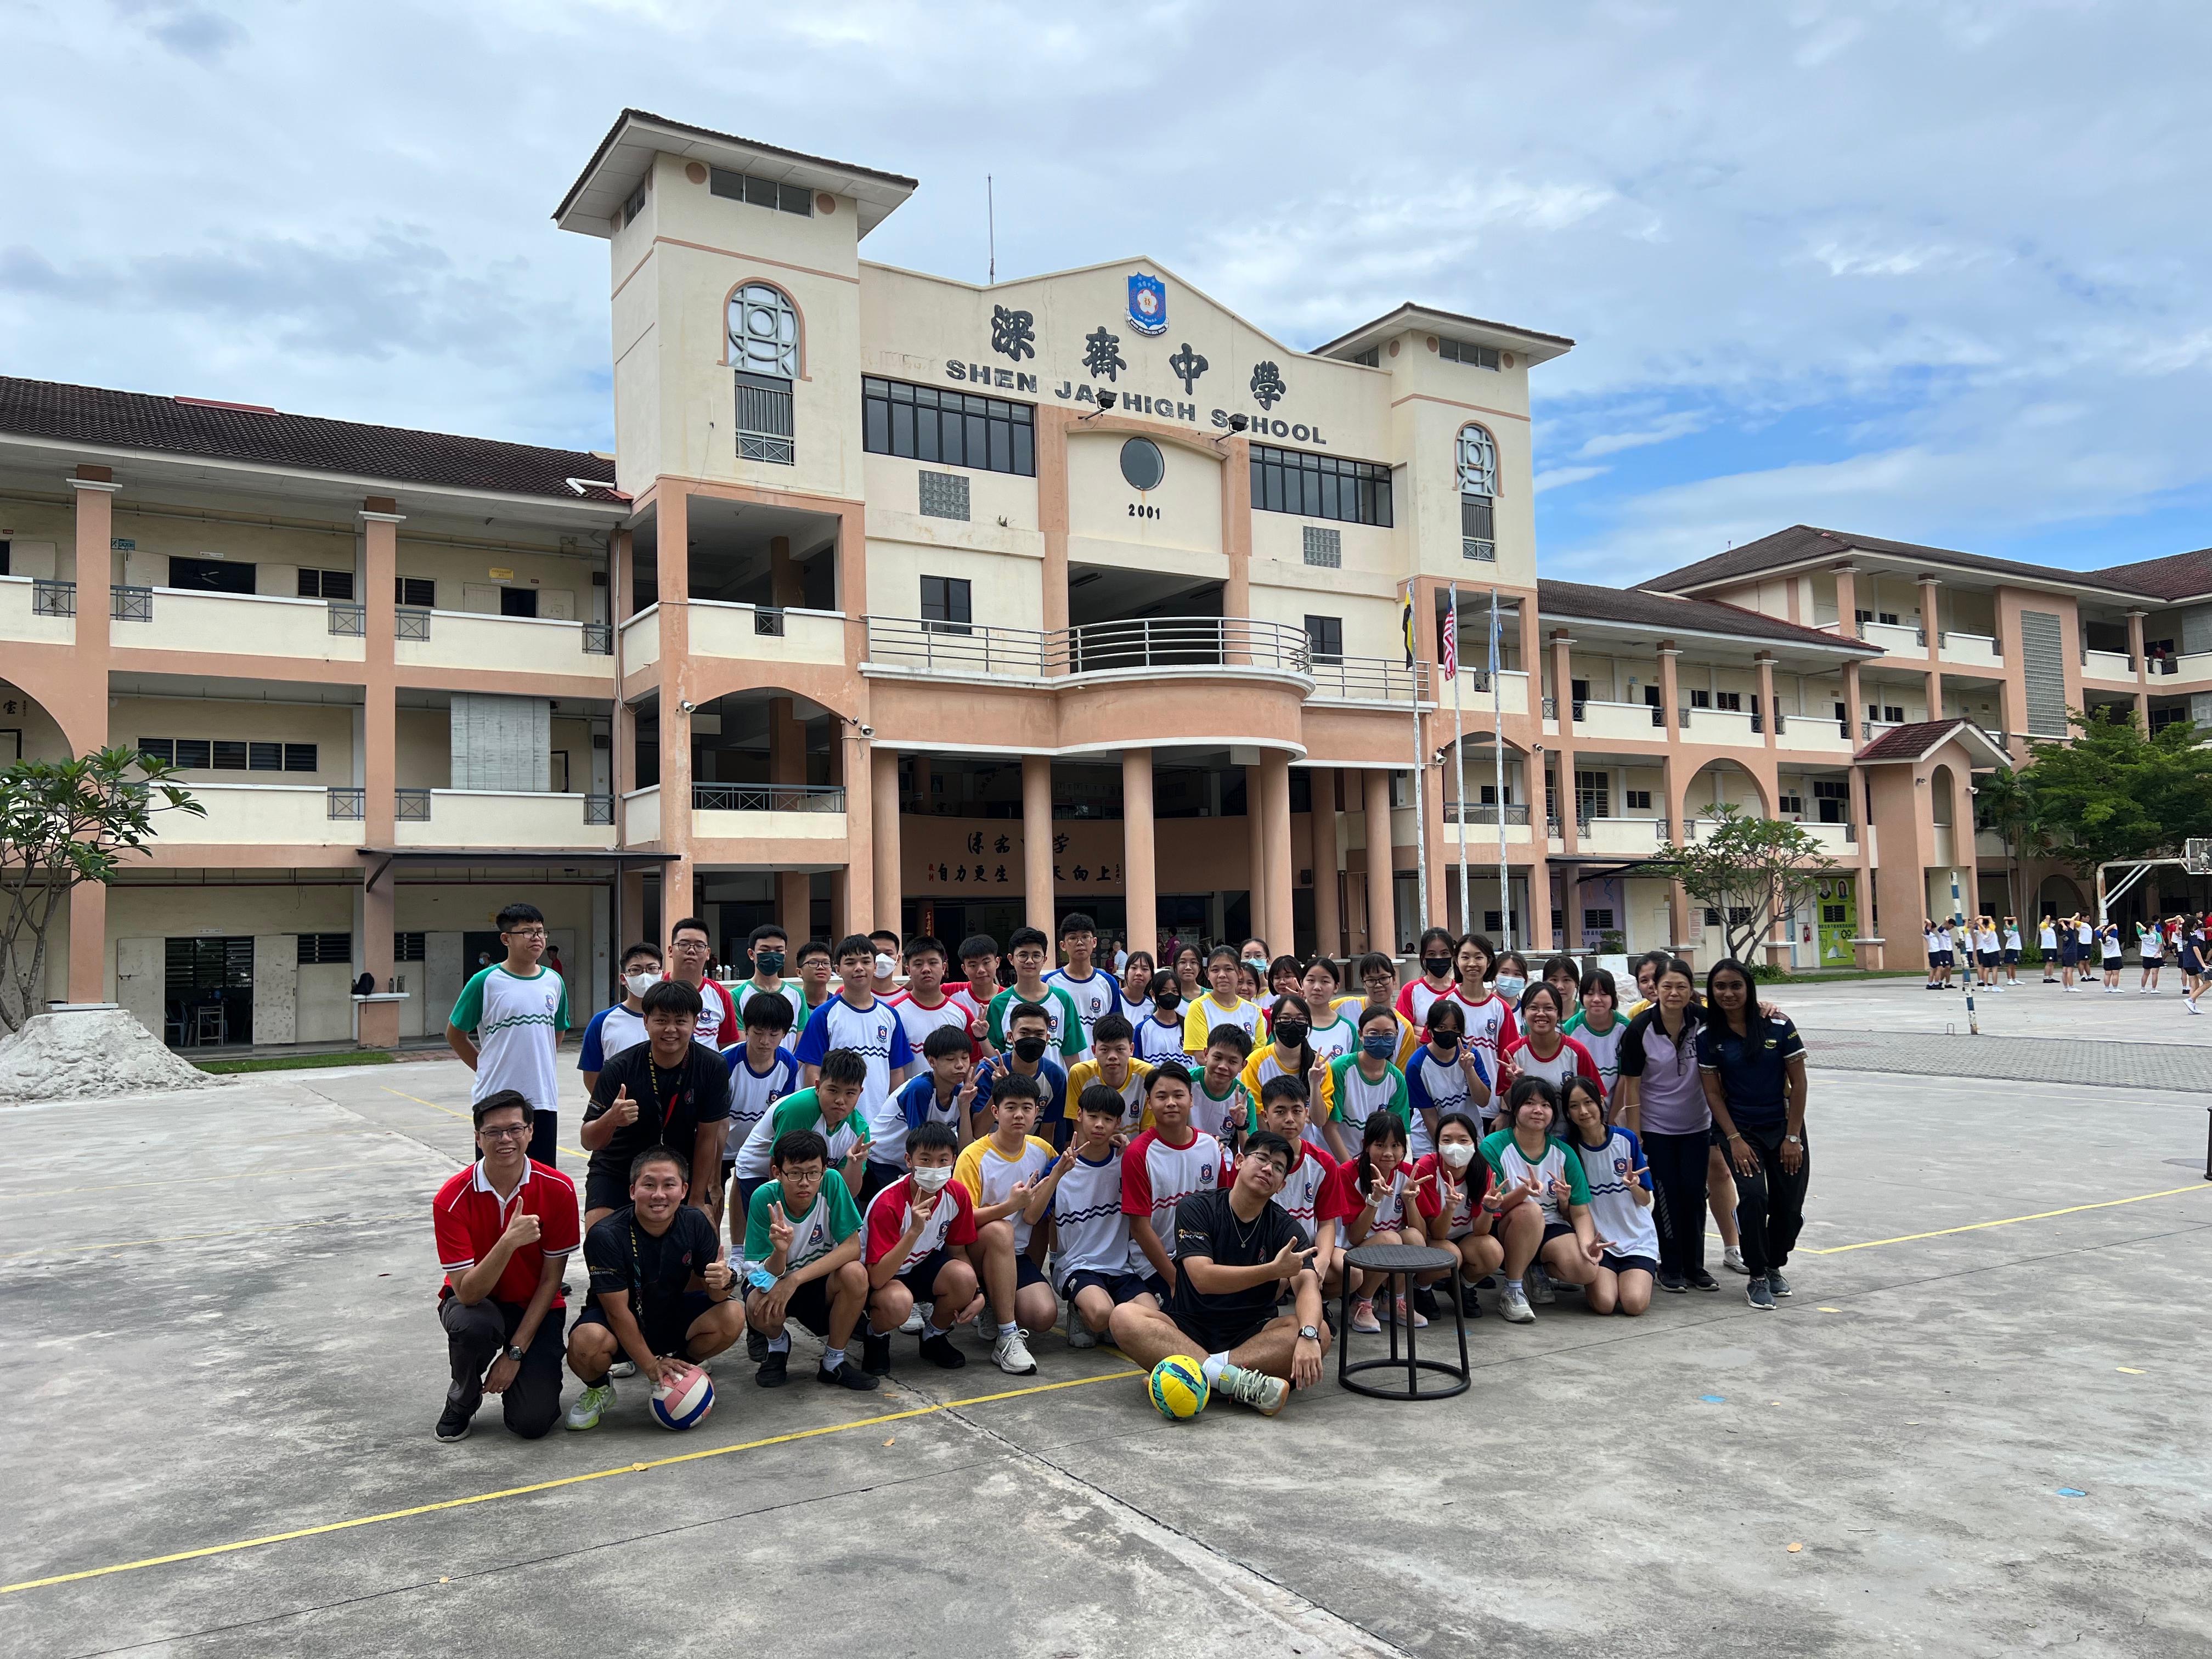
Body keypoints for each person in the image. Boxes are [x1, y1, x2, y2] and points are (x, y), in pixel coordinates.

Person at [1106, 1130, 1331, 1418]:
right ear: (1239, 1161)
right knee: (1124, 1317)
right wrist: (1273, 1271)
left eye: (1278, 1167)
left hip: (1252, 1335)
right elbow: (1203, 1279)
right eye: (1262, 1158)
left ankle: (1195, 1374)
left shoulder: (1285, 1227)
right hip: (1189, 1329)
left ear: (1282, 1185)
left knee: (1321, 1332)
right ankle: (1235, 1382)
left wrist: (1309, 1335)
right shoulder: (1196, 1208)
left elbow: (1308, 1286)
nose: (1268, 1169)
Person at [431, 1089, 580, 1442]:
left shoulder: (559, 1189)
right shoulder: (451, 1199)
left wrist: (515, 1354)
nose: (506, 1139)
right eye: (494, 1132)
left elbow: (551, 1282)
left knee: (532, 1423)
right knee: (474, 1325)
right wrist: (508, 1242)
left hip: (534, 1304)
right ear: (478, 1138)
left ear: (531, 1131)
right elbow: (467, 1293)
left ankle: (525, 1380)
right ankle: (462, 1399)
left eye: (515, 1129)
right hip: (477, 1304)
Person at [562, 1146, 746, 1430]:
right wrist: (650, 1366)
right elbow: (617, 1313)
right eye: (649, 1185)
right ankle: (599, 1389)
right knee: (585, 1343)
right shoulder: (606, 1235)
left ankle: (678, 1368)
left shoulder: (695, 1222)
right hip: (620, 1322)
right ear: (633, 1191)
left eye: (669, 1185)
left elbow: (717, 1295)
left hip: (670, 1313)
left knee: (733, 1314)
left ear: (684, 1190)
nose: (659, 1195)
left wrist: (725, 1280)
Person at [864, 1121, 1035, 1375]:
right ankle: (875, 1336)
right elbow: (877, 1278)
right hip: (887, 1276)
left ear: (953, 1160)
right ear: (909, 1161)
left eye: (943, 1160)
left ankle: (934, 1336)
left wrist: (977, 1293)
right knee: (898, 1303)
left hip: (923, 1265)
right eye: (925, 1159)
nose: (935, 1168)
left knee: (963, 1278)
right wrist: (913, 1232)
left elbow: (958, 1252)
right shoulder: (887, 1203)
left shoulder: (957, 1194)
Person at [1698, 957, 1811, 1311]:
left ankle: (1775, 1263)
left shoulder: (1778, 1024)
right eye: (1720, 987)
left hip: (1784, 1127)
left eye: (1736, 986)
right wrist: (1734, 1140)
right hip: (1739, 1130)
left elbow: (1799, 1083)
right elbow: (1713, 1093)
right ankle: (1758, 1275)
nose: (1728, 993)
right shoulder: (1708, 1035)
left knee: (1788, 1207)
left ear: (1749, 988)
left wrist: (1793, 1138)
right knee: (1753, 1197)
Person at [579, 979, 732, 1228]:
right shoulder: (619, 1068)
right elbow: (588, 1141)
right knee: (600, 1233)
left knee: (705, 1236)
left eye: (680, 1021)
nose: (671, 1029)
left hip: (678, 1171)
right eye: (661, 1020)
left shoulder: (712, 1066)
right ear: (646, 1021)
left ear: (695, 1023)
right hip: (619, 1168)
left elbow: (707, 1138)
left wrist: (696, 1200)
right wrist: (611, 1119)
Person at [741, 1128, 877, 1391]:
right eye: (795, 1173)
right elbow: (761, 1274)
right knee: (757, 1305)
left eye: (813, 1173)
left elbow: (852, 1248)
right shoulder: (764, 1199)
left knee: (856, 1274)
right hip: (775, 1279)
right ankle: (778, 1346)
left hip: (815, 1278)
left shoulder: (832, 1182)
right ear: (777, 1172)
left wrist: (795, 1280)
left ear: (824, 1170)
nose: (805, 1182)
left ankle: (833, 1362)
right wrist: (780, 1252)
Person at [1613, 957, 1718, 1293]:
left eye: (1681, 987)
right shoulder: (1640, 1028)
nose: (1674, 993)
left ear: (1691, 990)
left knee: (1694, 1194)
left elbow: (1740, 1020)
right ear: (1655, 989)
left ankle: (1695, 1266)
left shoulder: (1705, 1021)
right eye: (1667, 986)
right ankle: (1670, 1266)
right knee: (1666, 1194)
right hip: (1656, 1128)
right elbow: (1631, 1085)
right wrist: (1635, 1135)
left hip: (1697, 1126)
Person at [1028, 1086, 1159, 1348]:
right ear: (1079, 1115)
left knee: (1152, 1317)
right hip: (1077, 1266)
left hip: (1121, 1267)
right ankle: (1080, 1311)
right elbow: (1032, 1217)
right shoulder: (1060, 1166)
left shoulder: (1126, 1162)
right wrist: (1057, 1175)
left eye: (1108, 1119)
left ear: (1118, 1123)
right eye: (1093, 1116)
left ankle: (1111, 1318)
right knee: (1101, 1315)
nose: (1099, 1125)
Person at [447, 901, 572, 1167]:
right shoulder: (485, 982)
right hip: (496, 1098)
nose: (536, 937)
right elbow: (455, 1034)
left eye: (540, 931)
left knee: (540, 1176)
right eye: (527, 932)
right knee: (496, 1176)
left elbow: (557, 1032)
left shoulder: (554, 981)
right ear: (506, 939)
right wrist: (484, 1067)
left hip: (542, 1098)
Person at [796, 934, 917, 1200]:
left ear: (875, 966)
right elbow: (813, 1071)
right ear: (838, 969)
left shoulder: (890, 1016)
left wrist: (892, 1118)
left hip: (880, 1131)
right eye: (850, 962)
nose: (859, 968)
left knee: (877, 1203)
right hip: (837, 1128)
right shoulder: (825, 1015)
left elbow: (896, 1072)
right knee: (835, 1200)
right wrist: (822, 1119)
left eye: (865, 961)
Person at [1479, 1076, 1602, 1324]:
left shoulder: (1564, 1153)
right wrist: (1522, 1193)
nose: (1538, 1110)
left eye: (1546, 1105)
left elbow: (1580, 1212)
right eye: (1530, 1103)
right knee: (1531, 1212)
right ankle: (1512, 1290)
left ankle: (1535, 1268)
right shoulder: (1494, 1146)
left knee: (1587, 1270)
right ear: (1515, 1109)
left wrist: (1586, 1245)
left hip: (1550, 1226)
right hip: (1506, 1227)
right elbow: (1492, 1206)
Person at [953, 1074, 1060, 1341]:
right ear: (995, 1112)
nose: (1019, 1115)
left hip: (1017, 1256)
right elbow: (960, 1221)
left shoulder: (1043, 1150)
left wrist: (1114, 1144)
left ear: (1036, 1112)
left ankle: (999, 1300)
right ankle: (1007, 1334)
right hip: (977, 1253)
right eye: (1011, 1107)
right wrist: (1009, 1206)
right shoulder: (973, 1156)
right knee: (1001, 1230)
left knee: (1043, 1316)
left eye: (1027, 1108)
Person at [1121, 1062, 1228, 1298]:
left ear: (1191, 1099)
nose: (1171, 1103)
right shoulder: (1138, 1154)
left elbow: (1223, 1208)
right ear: (1149, 1103)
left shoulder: (1210, 1146)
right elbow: (1139, 1227)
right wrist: (1174, 1280)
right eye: (1161, 1097)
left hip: (1204, 1257)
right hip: (1156, 1264)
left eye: (1178, 1095)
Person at [728, 1048, 873, 1212]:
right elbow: (776, 1166)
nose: (840, 1100)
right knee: (774, 1219)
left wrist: (855, 1163)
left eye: (850, 1093)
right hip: (761, 1169)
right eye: (833, 1090)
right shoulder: (800, 1110)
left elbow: (847, 1193)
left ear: (860, 1093)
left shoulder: (859, 1131)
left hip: (808, 1175)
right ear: (818, 1086)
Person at [1252, 1076, 1356, 1304]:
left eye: (1297, 1111)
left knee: (1354, 1273)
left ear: (1307, 1114)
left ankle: (1318, 1301)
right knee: (1278, 1281)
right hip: (1264, 1253)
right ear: (1265, 1115)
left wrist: (1323, 1261)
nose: (1290, 1119)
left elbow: (1327, 1222)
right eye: (1280, 1112)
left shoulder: (1324, 1163)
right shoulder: (1254, 1160)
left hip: (1307, 1249)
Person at [1560, 1074, 1657, 1317]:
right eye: (1574, 1106)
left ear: (1601, 1101)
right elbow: (1569, 1214)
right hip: (1599, 1242)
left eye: (1588, 1102)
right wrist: (1563, 1200)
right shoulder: (1566, 1149)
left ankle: (1640, 1275)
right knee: (1604, 1304)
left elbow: (1645, 1200)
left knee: (1634, 1304)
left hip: (1636, 1240)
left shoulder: (1626, 1139)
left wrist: (1633, 1185)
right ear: (1567, 1113)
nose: (1584, 1111)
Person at [1341, 1111, 1442, 1332]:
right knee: (1390, 1239)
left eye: (1395, 1146)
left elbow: (1421, 1235)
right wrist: (1375, 1199)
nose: (1388, 1153)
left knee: (1413, 1238)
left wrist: (1410, 1202)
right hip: (1352, 1252)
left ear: (1404, 1149)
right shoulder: (1349, 1173)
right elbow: (1354, 1236)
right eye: (1380, 1145)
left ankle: (1394, 1300)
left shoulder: (1408, 1174)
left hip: (1388, 1251)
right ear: (1366, 1146)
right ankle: (1361, 1302)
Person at [718, 991, 799, 1227]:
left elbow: (782, 1117)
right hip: (724, 1145)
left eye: (774, 1034)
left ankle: (744, 1245)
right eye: (758, 1033)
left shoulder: (788, 1064)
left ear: (785, 1034)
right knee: (714, 1196)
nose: (765, 1041)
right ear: (746, 1029)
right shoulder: (725, 1062)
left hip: (759, 1147)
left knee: (755, 1200)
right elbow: (716, 1121)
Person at [1413, 1110, 1501, 1319]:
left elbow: (1481, 1231)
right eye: (1447, 1140)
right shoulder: (1426, 1168)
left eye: (1463, 1140)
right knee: (1450, 1256)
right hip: (1432, 1240)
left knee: (1493, 1252)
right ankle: (1420, 1288)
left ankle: (1463, 1286)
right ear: (1437, 1144)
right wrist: (1449, 1208)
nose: (1455, 1147)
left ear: (1474, 1144)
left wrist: (1489, 1208)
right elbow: (1436, 1233)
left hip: (1465, 1238)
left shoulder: (1482, 1169)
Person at [1318, 1004, 1413, 1163]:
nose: (1381, 1038)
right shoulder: (1341, 1068)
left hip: (1372, 1164)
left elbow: (1398, 1133)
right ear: (1361, 1034)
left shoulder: (1396, 1079)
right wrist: (1351, 1169)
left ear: (1397, 1035)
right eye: (1373, 1033)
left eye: (1388, 1034)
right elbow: (1330, 1127)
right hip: (1335, 1161)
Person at [971, 1001, 1071, 1144]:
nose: (1032, 1039)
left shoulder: (1055, 1076)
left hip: (1029, 1151)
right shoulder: (988, 1070)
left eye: (1039, 1034)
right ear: (1011, 1037)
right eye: (1024, 1033)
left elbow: (1047, 1133)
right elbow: (978, 1132)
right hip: (989, 1150)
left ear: (1047, 1039)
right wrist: (1000, 1089)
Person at [1238, 993, 1328, 1145]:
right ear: (1274, 1024)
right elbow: (1259, 1117)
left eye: (1300, 1020)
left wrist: (1314, 1083)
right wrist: (1279, 1151)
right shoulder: (1255, 1062)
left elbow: (1319, 1121)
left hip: (1307, 1150)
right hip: (1270, 1148)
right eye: (1285, 1019)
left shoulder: (1320, 1065)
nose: (1293, 1024)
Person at [1404, 997, 1491, 1156]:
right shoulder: (1416, 1065)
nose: (1448, 1033)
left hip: (1468, 1136)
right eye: (1442, 1027)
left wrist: (1469, 1070)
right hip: (1430, 1141)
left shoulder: (1472, 1056)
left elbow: (1483, 1101)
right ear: (1430, 1030)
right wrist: (1447, 1149)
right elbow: (1429, 1115)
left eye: (1455, 1028)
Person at [988, 927, 1086, 1061]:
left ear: (1044, 960)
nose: (1030, 961)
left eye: (1036, 955)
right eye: (1023, 955)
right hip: (1012, 1075)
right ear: (1011, 959)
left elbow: (1071, 1053)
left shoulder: (1063, 999)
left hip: (1054, 1076)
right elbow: (995, 1056)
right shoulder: (999, 1004)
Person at [578, 941, 661, 1098]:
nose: (645, 976)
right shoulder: (602, 1022)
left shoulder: (676, 1021)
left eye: (652, 969)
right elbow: (591, 1074)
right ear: (624, 978)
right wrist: (610, 1107)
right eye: (636, 970)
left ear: (661, 974)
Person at [1498, 982, 1603, 1097]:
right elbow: (1507, 1102)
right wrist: (1517, 1083)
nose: (1541, 1014)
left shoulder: (1578, 1052)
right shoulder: (1512, 1053)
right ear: (1524, 1013)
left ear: (1559, 1014)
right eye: (1534, 1008)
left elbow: (1597, 1097)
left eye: (1549, 1008)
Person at [1045, 911, 1125, 1059]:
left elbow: (1116, 1030)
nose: (1080, 942)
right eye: (1073, 938)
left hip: (1099, 1067)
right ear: (1063, 945)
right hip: (1060, 1067)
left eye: (1085, 937)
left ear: (1094, 942)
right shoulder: (1049, 984)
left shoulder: (1108, 983)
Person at [887, 935, 977, 1064]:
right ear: (908, 970)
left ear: (944, 967)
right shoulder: (891, 1013)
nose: (926, 969)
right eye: (918, 964)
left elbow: (973, 1060)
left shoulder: (963, 1014)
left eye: (933, 963)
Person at [892, 1024, 980, 1155]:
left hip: (918, 1159)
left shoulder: (961, 1093)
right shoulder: (920, 1089)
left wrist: (965, 1106)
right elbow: (919, 1147)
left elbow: (965, 1152)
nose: (960, 1065)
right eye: (951, 1059)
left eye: (965, 1058)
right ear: (932, 1062)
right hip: (883, 1160)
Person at [1444, 934, 1519, 1085]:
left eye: (1479, 957)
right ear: (1457, 961)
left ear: (1489, 962)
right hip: (1451, 1094)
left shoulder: (1501, 1008)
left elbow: (1508, 1057)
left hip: (1491, 1095)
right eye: (1465, 957)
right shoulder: (1444, 1003)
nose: (1472, 963)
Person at [1066, 1013, 1154, 1131]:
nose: (1112, 1056)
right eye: (1105, 1050)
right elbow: (1080, 1133)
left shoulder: (1148, 1075)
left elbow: (1148, 1134)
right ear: (1094, 1050)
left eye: (1120, 1049)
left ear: (1131, 1049)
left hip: (1136, 1143)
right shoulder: (1079, 1074)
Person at [666, 917, 740, 1048]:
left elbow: (727, 1047)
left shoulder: (721, 995)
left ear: (708, 954)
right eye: (684, 945)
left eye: (699, 946)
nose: (691, 950)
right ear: (671, 951)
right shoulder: (655, 989)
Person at [1183, 945, 1268, 1056]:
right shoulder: (1199, 1007)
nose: (1222, 975)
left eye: (1229, 969)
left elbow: (1259, 1056)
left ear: (1240, 973)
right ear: (1207, 974)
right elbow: (1201, 1056)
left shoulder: (1254, 1011)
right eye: (1215, 970)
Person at [1562, 968, 1628, 1098]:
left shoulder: (1626, 1028)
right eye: (1590, 993)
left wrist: (1615, 1111)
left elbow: (1627, 1078)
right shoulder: (1569, 1029)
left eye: (1604, 994)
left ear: (1613, 996)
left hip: (1619, 1104)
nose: (1597, 999)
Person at [733, 922, 808, 1028]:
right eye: (765, 950)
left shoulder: (797, 995)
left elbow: (803, 1035)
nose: (772, 955)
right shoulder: (737, 996)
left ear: (785, 954)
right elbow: (739, 1037)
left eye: (779, 950)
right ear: (751, 954)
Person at [1192, 1024, 1256, 1144]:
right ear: (1206, 1054)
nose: (1223, 1066)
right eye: (1217, 1057)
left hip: (1222, 1155)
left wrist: (1241, 1126)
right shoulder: (1185, 1082)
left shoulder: (1245, 1099)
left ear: (1242, 1066)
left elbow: (1251, 1151)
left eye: (1233, 1062)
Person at [1396, 926, 1458, 1027]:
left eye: (1444, 953)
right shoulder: (1410, 991)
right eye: (1432, 954)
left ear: (1452, 955)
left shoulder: (1461, 990)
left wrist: (1419, 1030)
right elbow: (1403, 1030)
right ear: (1423, 957)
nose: (1438, 958)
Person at [955, 934, 1004, 1047]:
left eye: (986, 963)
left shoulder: (1007, 999)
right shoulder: (951, 992)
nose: (981, 970)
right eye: (973, 965)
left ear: (997, 962)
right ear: (964, 969)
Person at [1133, 980, 1189, 1064]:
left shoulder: (1189, 1026)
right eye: (1164, 991)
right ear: (1153, 994)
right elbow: (1136, 1065)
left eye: (1174, 991)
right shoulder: (1143, 1029)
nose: (1170, 995)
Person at [794, 939, 836, 1020]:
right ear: (799, 972)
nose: (821, 967)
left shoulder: (838, 1005)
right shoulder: (792, 1005)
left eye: (826, 963)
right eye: (813, 963)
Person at [1539, 955, 1583, 1025]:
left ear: (1576, 983)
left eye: (1566, 980)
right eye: (1554, 980)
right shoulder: (1537, 1016)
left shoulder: (1588, 1012)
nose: (1560, 987)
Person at [1120, 950, 1158, 1028]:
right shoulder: (1115, 999)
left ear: (1151, 976)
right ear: (1126, 973)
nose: (1139, 973)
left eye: (1145, 969)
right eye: (1134, 968)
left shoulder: (1152, 1007)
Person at [868, 929, 904, 997]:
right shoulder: (852, 995)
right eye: (876, 953)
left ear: (898, 959)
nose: (882, 958)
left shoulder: (906, 996)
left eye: (888, 954)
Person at [2138, 918, 2164, 994]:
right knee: (2155, 973)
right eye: (2153, 926)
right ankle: (2153, 989)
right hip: (2155, 955)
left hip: (2146, 955)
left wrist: (2142, 927)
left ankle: (2143, 988)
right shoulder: (2157, 934)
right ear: (2151, 927)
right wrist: (2158, 952)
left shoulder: (2142, 935)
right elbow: (2160, 944)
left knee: (2146, 973)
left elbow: (2137, 924)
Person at [2101, 921, 2125, 993]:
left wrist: (2103, 927)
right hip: (2115, 957)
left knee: (2107, 974)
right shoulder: (2114, 936)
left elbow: (2096, 930)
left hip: (2107, 958)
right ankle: (2115, 988)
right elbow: (2114, 925)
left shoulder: (2102, 937)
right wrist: (2106, 930)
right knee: (2115, 973)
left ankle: (2107, 988)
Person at [2002, 916, 2024, 988]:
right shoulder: (2014, 928)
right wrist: (2007, 919)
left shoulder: (2006, 929)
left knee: (2013, 965)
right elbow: (2015, 918)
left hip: (2012, 948)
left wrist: (2006, 921)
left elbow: (2010, 922)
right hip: (2012, 948)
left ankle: (2014, 979)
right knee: (2010, 965)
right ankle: (2010, 980)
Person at [2039, 915, 2061, 984]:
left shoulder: (2051, 929)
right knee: (2049, 962)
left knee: (2053, 963)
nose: (2053, 924)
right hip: (2047, 947)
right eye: (2052, 922)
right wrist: (2048, 918)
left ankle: (2050, 977)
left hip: (2053, 947)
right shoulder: (2043, 926)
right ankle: (2046, 978)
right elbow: (2045, 922)